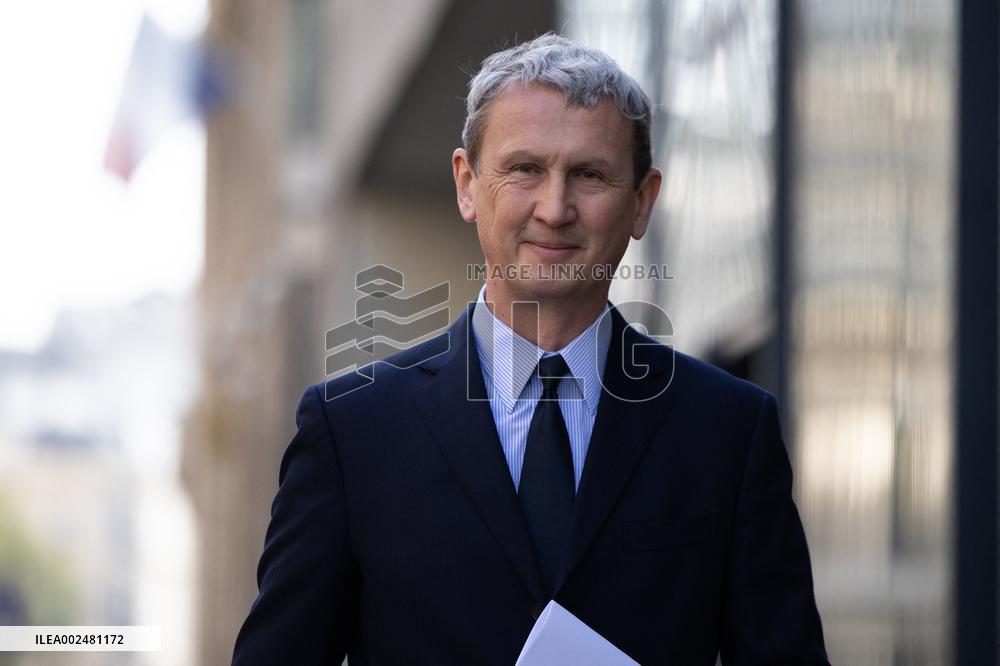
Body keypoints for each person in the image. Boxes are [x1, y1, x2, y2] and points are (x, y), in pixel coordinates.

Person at [232, 33, 829, 665]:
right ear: (467, 185)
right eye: (525, 170)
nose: (555, 208)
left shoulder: (729, 432)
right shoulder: (350, 431)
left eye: (590, 175)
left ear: (642, 202)